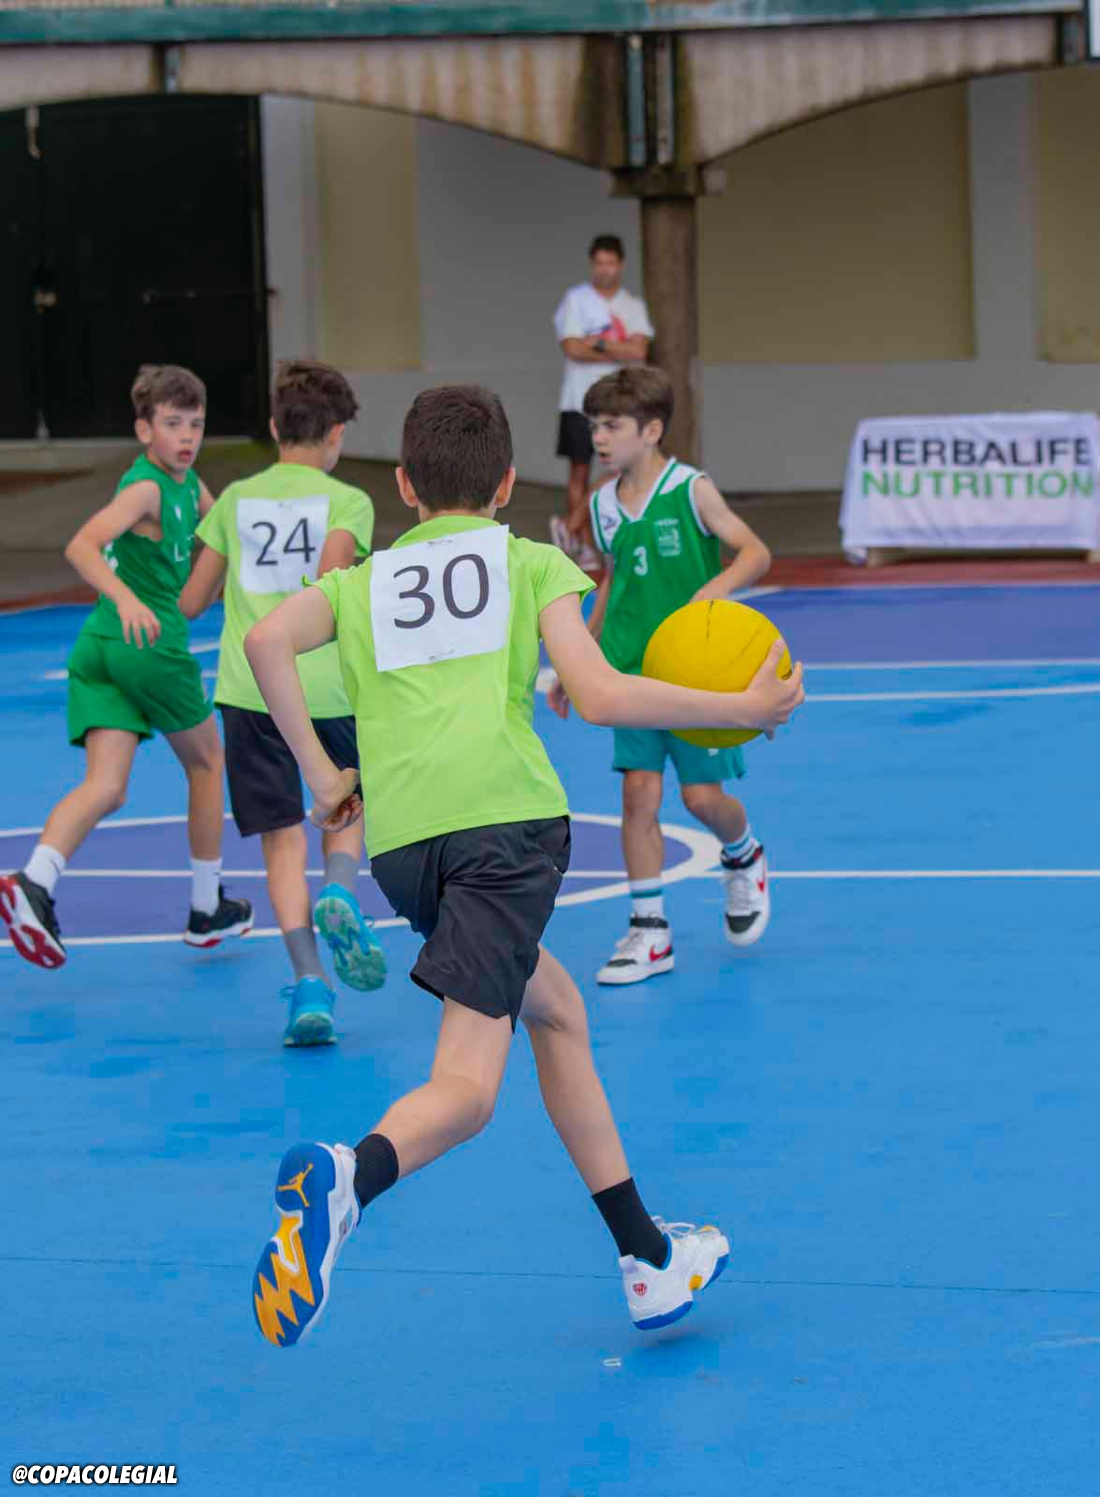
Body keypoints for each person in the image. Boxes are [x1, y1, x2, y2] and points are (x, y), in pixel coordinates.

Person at [243, 384, 802, 1346]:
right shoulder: (528, 560)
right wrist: (742, 711)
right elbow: (600, 693)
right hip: (503, 836)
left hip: (407, 852)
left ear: (405, 485)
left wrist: (325, 773)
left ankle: (647, 1257)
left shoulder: (362, 581)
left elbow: (264, 640)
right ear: (507, 483)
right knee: (467, 1091)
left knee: (558, 1010)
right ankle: (347, 1179)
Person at [0, 365, 251, 970]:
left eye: (195, 424)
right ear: (144, 431)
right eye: (172, 424)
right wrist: (129, 598)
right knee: (207, 762)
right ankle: (205, 906)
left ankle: (35, 880)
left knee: (108, 786)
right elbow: (81, 546)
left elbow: (225, 532)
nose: (186, 436)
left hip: (102, 648)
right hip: (146, 643)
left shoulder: (191, 486)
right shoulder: (146, 490)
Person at [179, 359, 386, 1048]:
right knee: (346, 802)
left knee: (280, 838)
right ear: (337, 434)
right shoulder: (348, 501)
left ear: (274, 427)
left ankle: (308, 982)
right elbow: (331, 578)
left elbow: (192, 599)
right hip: (325, 684)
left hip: (248, 690)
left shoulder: (236, 499)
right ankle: (341, 889)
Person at [548, 366, 774, 985]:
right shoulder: (600, 505)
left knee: (702, 799)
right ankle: (649, 931)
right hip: (630, 673)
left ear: (650, 431)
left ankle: (743, 851)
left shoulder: (691, 489)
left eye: (611, 426)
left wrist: (713, 592)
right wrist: (579, 658)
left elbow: (755, 551)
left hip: (696, 678)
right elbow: (612, 582)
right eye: (594, 426)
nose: (598, 438)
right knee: (638, 795)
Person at [551, 235, 653, 571]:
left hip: (619, 403)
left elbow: (639, 351)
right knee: (579, 470)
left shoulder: (632, 306)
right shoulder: (576, 299)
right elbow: (571, 348)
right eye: (599, 263)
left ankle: (570, 526)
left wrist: (595, 344)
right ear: (592, 264)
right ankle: (583, 546)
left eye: (610, 263)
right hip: (578, 400)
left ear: (620, 265)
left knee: (621, 469)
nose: (605, 270)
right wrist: (616, 349)